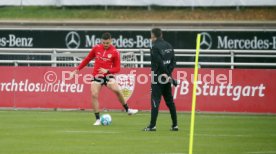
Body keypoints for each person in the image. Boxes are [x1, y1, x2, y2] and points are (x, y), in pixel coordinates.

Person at [71, 32, 138, 126]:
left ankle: (128, 109)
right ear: (101, 41)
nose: (106, 45)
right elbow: (87, 59)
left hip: (108, 75)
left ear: (111, 41)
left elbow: (118, 68)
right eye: (104, 43)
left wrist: (107, 71)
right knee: (94, 95)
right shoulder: (96, 48)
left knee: (117, 90)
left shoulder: (115, 52)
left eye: (107, 43)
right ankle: (98, 119)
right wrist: (77, 70)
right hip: (97, 76)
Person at [144, 28, 178, 131]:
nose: (151, 38)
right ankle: (175, 125)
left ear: (153, 36)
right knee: (170, 102)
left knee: (155, 101)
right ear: (161, 34)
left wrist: (165, 74)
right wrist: (168, 75)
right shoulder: (169, 45)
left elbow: (159, 63)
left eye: (151, 36)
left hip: (157, 77)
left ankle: (152, 126)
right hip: (166, 78)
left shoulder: (154, 47)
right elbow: (173, 62)